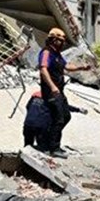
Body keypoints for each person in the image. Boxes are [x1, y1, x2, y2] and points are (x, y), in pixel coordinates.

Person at [38, 28, 89, 158]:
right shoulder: (46, 52)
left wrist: (81, 67)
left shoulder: (57, 55)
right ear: (52, 39)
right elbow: (43, 70)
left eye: (63, 41)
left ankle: (47, 141)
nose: (61, 43)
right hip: (51, 91)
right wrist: (52, 87)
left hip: (59, 91)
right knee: (59, 118)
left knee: (66, 116)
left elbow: (66, 67)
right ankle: (53, 148)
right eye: (59, 40)